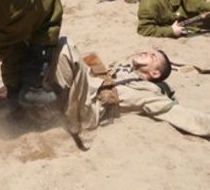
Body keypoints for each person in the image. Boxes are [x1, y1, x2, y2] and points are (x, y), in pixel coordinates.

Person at [48, 44, 210, 137]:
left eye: (152, 57)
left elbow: (189, 117)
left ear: (155, 73)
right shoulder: (121, 68)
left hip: (87, 109)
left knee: (65, 47)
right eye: (148, 52)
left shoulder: (149, 94)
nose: (146, 53)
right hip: (78, 91)